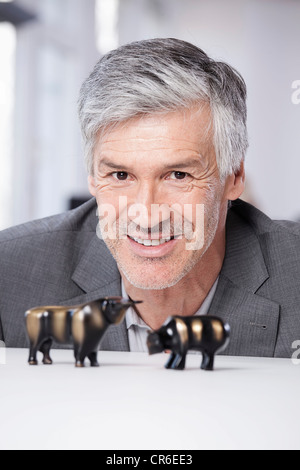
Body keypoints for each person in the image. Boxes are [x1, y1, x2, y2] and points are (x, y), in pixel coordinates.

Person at [0, 38, 299, 358]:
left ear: (234, 177)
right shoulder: (8, 272)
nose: (147, 215)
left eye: (178, 175)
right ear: (92, 177)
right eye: (120, 175)